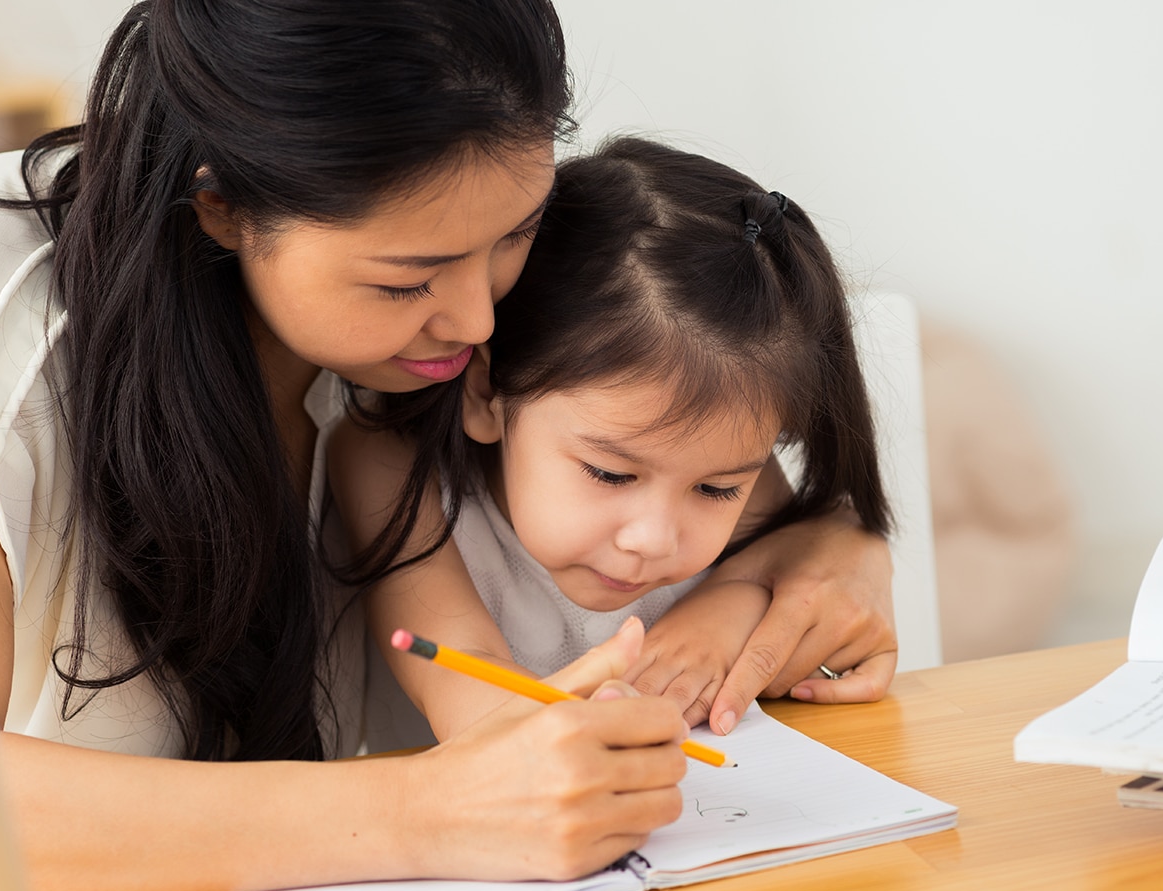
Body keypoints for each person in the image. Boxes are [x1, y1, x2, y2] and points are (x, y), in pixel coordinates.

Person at [0, 0, 894, 891]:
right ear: (221, 203)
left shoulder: (462, 304)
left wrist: (812, 549)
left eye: (518, 234)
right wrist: (427, 807)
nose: (481, 318)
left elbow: (701, 450)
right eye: (406, 281)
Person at [333, 136, 891, 746]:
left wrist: (728, 608)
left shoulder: (726, 453)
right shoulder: (388, 465)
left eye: (716, 489)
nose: (653, 539)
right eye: (609, 474)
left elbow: (805, 561)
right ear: (486, 389)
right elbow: (466, 680)